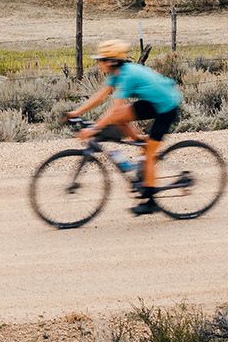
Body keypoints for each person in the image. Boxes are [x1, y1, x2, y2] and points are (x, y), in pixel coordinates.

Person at [69, 40, 182, 215]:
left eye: (101, 60)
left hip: (167, 106)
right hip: (154, 101)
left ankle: (151, 202)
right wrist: (76, 112)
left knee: (150, 153)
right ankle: (141, 143)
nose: (98, 63)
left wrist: (93, 129)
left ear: (112, 61)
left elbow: (114, 109)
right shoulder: (117, 73)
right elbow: (100, 96)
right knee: (122, 120)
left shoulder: (127, 76)